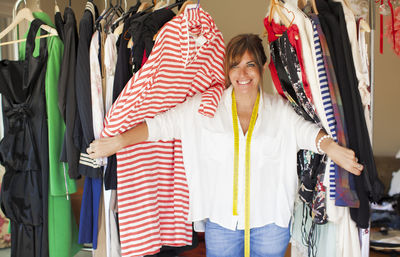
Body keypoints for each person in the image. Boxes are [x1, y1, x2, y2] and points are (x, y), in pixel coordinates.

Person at [87, 34, 363, 257]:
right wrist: (118, 142)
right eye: (235, 66)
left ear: (262, 67)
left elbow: (306, 132)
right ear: (227, 70)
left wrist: (331, 148)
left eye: (250, 64)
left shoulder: (279, 110)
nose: (242, 74)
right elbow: (161, 125)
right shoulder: (207, 107)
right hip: (222, 226)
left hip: (270, 226)